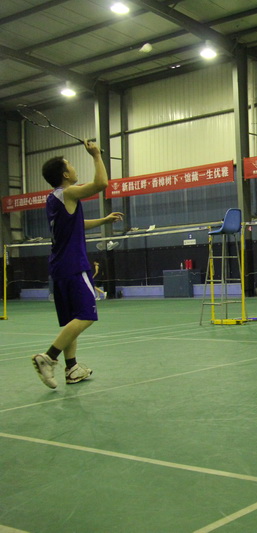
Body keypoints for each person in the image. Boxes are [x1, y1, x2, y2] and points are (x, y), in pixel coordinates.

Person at [31, 141, 124, 389]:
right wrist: (95, 155)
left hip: (59, 267)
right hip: (74, 265)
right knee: (86, 316)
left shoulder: (54, 199)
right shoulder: (69, 193)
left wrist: (104, 220)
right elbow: (101, 184)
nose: (73, 167)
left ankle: (71, 368)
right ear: (65, 174)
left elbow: (77, 224)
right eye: (70, 165)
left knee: (71, 319)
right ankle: (48, 357)